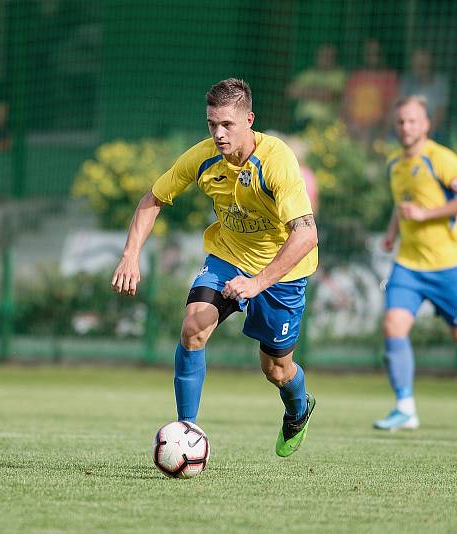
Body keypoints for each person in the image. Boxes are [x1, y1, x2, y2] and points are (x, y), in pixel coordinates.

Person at [112, 79, 319, 457]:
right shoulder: (203, 157)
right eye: (212, 124)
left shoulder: (277, 160)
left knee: (276, 369)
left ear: (249, 120)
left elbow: (306, 236)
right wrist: (130, 254)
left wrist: (258, 282)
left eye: (227, 125)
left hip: (282, 272)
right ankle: (186, 433)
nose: (219, 134)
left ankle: (298, 408)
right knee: (193, 328)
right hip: (226, 257)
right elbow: (153, 198)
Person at [375, 96, 457, 433]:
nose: (406, 127)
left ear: (427, 124)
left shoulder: (442, 159)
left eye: (413, 121)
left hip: (449, 265)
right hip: (408, 265)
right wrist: (391, 235)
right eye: (401, 121)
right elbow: (401, 205)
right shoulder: (394, 164)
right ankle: (405, 408)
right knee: (393, 325)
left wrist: (425, 214)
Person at [342, 39, 398, 144]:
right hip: (353, 125)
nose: (372, 56)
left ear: (381, 55)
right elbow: (346, 104)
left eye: (376, 53)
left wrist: (382, 128)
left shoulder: (389, 77)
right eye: (369, 53)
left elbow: (392, 107)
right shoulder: (355, 77)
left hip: (375, 126)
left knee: (367, 136)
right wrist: (347, 123)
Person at [287, 44, 346, 129]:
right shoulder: (308, 74)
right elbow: (292, 92)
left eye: (329, 56)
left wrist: (305, 91)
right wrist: (319, 92)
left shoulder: (339, 75)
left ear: (335, 58)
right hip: (302, 121)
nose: (325, 59)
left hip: (326, 123)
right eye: (322, 55)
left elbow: (328, 95)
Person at [398, 49, 450, 142]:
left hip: (433, 131)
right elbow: (399, 108)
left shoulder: (440, 83)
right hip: (409, 128)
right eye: (418, 63)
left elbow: (440, 114)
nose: (421, 66)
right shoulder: (407, 82)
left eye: (424, 63)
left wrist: (424, 135)